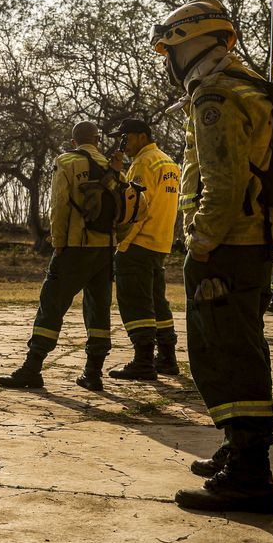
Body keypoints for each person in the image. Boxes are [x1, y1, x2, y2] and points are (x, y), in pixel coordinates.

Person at [153, 0, 273, 513]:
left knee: (225, 354)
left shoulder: (217, 97)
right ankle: (237, 451)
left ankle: (251, 476)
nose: (170, 61)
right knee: (237, 346)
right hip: (249, 242)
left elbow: (223, 185)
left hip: (227, 246)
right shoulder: (248, 86)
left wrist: (201, 245)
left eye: (174, 48)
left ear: (197, 44)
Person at [0, 121, 118, 392]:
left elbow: (60, 204)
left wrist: (59, 241)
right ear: (97, 141)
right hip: (105, 249)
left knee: (51, 304)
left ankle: (32, 367)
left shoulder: (66, 161)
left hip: (75, 246)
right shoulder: (114, 166)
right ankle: (93, 372)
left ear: (74, 142)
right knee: (99, 309)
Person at [106, 118, 181, 380]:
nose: (122, 144)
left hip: (139, 242)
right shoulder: (168, 162)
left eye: (125, 138)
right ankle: (168, 358)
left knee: (135, 302)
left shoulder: (143, 163)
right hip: (160, 241)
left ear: (140, 136)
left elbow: (135, 206)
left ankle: (143, 361)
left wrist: (123, 244)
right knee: (157, 302)